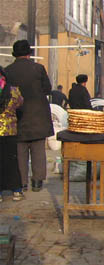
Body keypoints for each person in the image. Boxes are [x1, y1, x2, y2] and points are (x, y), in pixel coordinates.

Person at [5, 39, 54, 192]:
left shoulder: (7, 71)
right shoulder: (38, 68)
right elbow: (47, 89)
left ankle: (22, 182)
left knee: (20, 151)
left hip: (17, 116)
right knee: (38, 149)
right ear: (29, 53)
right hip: (38, 115)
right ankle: (37, 181)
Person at [0, 67, 24, 201]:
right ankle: (16, 191)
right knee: (12, 161)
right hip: (10, 130)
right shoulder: (13, 91)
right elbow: (20, 104)